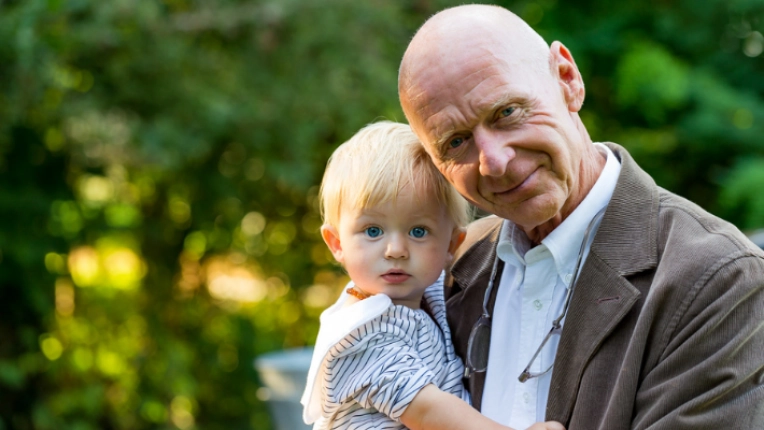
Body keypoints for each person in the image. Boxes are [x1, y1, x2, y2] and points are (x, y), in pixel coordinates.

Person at [398, 5, 764, 430]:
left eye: (507, 112)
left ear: (567, 80)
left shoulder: (717, 281)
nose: (493, 161)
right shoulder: (441, 274)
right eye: (457, 142)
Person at [300, 121, 565, 430]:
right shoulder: (360, 335)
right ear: (337, 244)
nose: (396, 250)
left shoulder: (427, 294)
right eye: (373, 231)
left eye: (418, 231)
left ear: (452, 244)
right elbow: (428, 413)